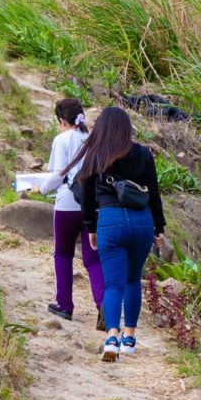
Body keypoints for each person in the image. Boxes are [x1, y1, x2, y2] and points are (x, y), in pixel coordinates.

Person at [68, 107, 166, 361]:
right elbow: (153, 192)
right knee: (133, 280)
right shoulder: (143, 154)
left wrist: (91, 227)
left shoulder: (96, 154)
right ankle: (130, 339)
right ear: (127, 127)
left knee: (113, 284)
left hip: (110, 221)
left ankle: (112, 336)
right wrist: (159, 228)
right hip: (141, 221)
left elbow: (87, 196)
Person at [34, 98, 105, 328]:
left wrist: (41, 189)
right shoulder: (94, 139)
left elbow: (58, 174)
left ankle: (65, 304)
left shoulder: (62, 139)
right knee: (92, 258)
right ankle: (103, 304)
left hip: (67, 203)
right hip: (92, 204)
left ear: (62, 120)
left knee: (63, 254)